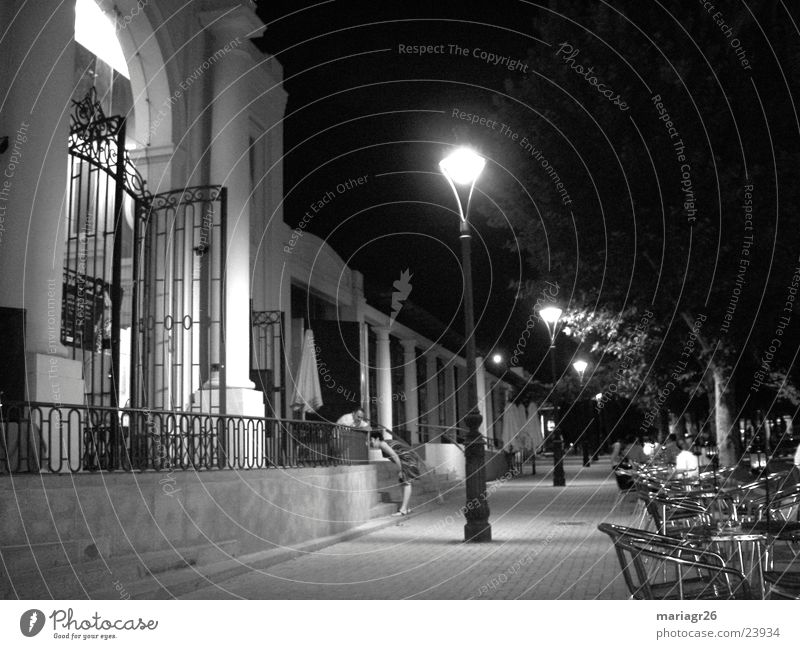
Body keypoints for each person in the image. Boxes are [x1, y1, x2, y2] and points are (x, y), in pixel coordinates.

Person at [369, 429, 420, 515]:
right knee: (403, 482)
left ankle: (403, 509)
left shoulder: (383, 444)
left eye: (371, 440)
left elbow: (395, 456)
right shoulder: (383, 445)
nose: (370, 443)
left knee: (406, 482)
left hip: (408, 458)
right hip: (407, 459)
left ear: (377, 439)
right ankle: (406, 508)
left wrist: (401, 470)